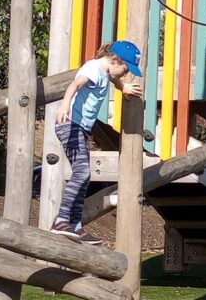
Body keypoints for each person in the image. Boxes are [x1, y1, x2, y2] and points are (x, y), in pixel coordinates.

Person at [50, 40, 143, 244]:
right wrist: (65, 105)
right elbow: (75, 85)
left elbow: (113, 79)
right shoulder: (93, 68)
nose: (125, 74)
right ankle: (61, 220)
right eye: (125, 69)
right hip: (69, 124)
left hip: (80, 128)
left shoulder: (106, 70)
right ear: (115, 60)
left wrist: (123, 87)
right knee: (82, 172)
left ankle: (74, 225)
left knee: (85, 174)